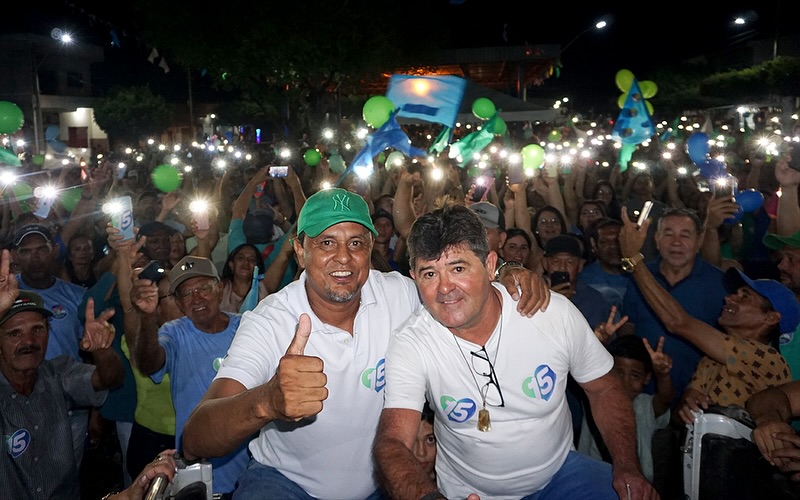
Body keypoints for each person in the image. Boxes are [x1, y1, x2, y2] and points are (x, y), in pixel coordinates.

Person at [181, 188, 550, 500]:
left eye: (355, 242)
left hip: (378, 483)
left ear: (371, 246)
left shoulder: (400, 294)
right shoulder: (270, 321)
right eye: (326, 242)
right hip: (285, 484)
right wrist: (267, 401)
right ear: (299, 250)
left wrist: (502, 273)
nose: (343, 257)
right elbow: (195, 438)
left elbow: (458, 286)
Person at [373, 202, 655, 500]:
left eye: (458, 268)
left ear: (491, 265)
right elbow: (392, 442)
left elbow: (605, 388)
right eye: (429, 274)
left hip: (560, 475)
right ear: (414, 277)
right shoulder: (412, 342)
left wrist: (627, 467)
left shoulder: (550, 314)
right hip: (468, 493)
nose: (445, 288)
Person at [619, 210, 800, 424]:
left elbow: (678, 322)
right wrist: (689, 403)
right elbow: (682, 411)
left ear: (770, 319)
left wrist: (633, 259)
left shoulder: (764, 358)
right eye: (735, 293)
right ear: (657, 240)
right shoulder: (712, 358)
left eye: (745, 297)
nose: (730, 298)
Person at [0, 249, 124, 499]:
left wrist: (102, 351)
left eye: (37, 330)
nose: (29, 341)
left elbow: (109, 379)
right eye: (15, 334)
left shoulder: (58, 372)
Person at [128, 255, 250, 495]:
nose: (197, 298)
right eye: (186, 293)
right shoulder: (174, 332)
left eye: (204, 288)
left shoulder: (246, 327)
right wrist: (147, 316)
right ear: (179, 303)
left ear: (220, 288)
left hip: (249, 460)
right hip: (199, 465)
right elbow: (150, 364)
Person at [578, 335, 674, 483]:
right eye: (618, 372)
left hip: (634, 485)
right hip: (590, 480)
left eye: (634, 376)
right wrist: (597, 344)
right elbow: (583, 369)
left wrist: (663, 376)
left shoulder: (644, 406)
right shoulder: (594, 396)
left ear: (646, 378)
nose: (624, 382)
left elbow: (666, 399)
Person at [578, 217, 632, 312]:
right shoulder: (583, 279)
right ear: (594, 245)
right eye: (604, 242)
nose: (613, 246)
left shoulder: (640, 276)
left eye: (617, 241)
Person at [219, 243, 268, 314]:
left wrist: (291, 241)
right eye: (240, 258)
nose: (246, 262)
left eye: (252, 260)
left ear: (257, 267)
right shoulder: (221, 288)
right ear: (231, 265)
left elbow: (283, 256)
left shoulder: (263, 288)